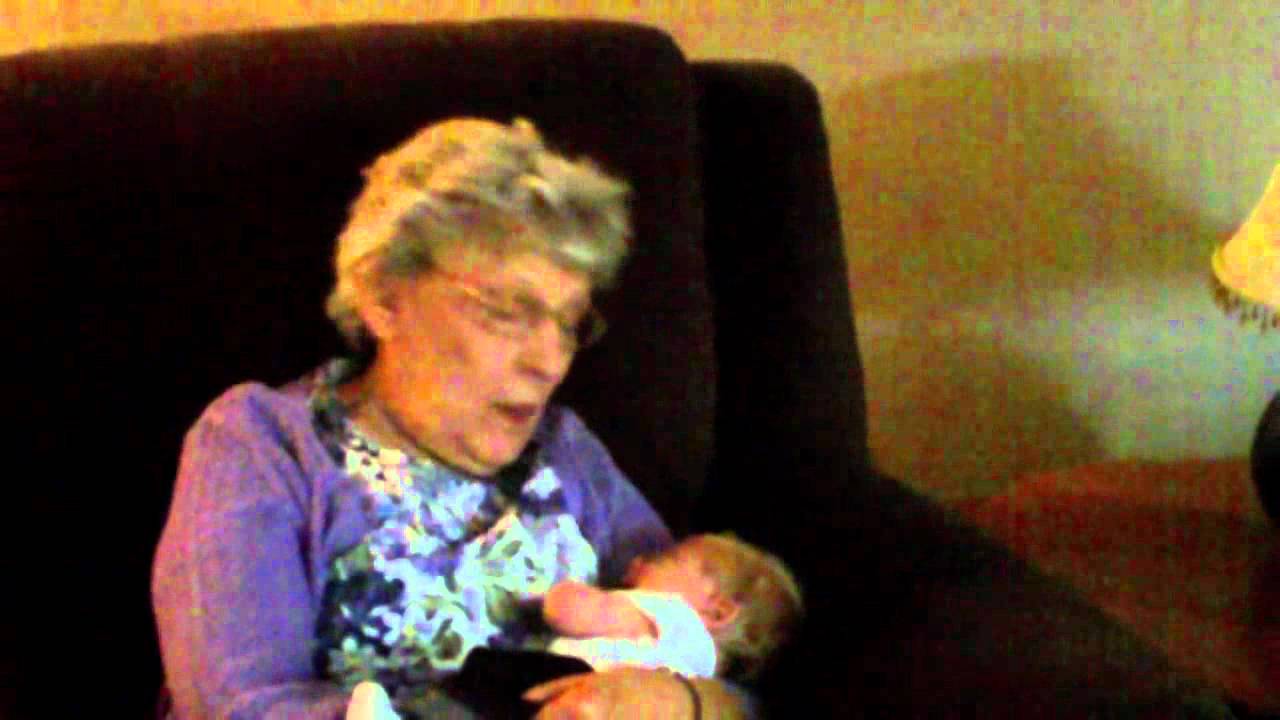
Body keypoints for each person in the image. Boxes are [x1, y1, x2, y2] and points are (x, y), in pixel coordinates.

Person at [151, 117, 753, 719]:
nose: (550, 363)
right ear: (384, 297)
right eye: (507, 312)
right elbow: (238, 705)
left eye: (569, 324)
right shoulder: (263, 443)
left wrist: (682, 700)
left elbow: (735, 658)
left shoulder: (568, 453)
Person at [543, 533, 804, 681]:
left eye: (664, 559)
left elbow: (568, 611)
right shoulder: (698, 678)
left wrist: (565, 589)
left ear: (717, 613)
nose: (641, 561)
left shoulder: (670, 615)